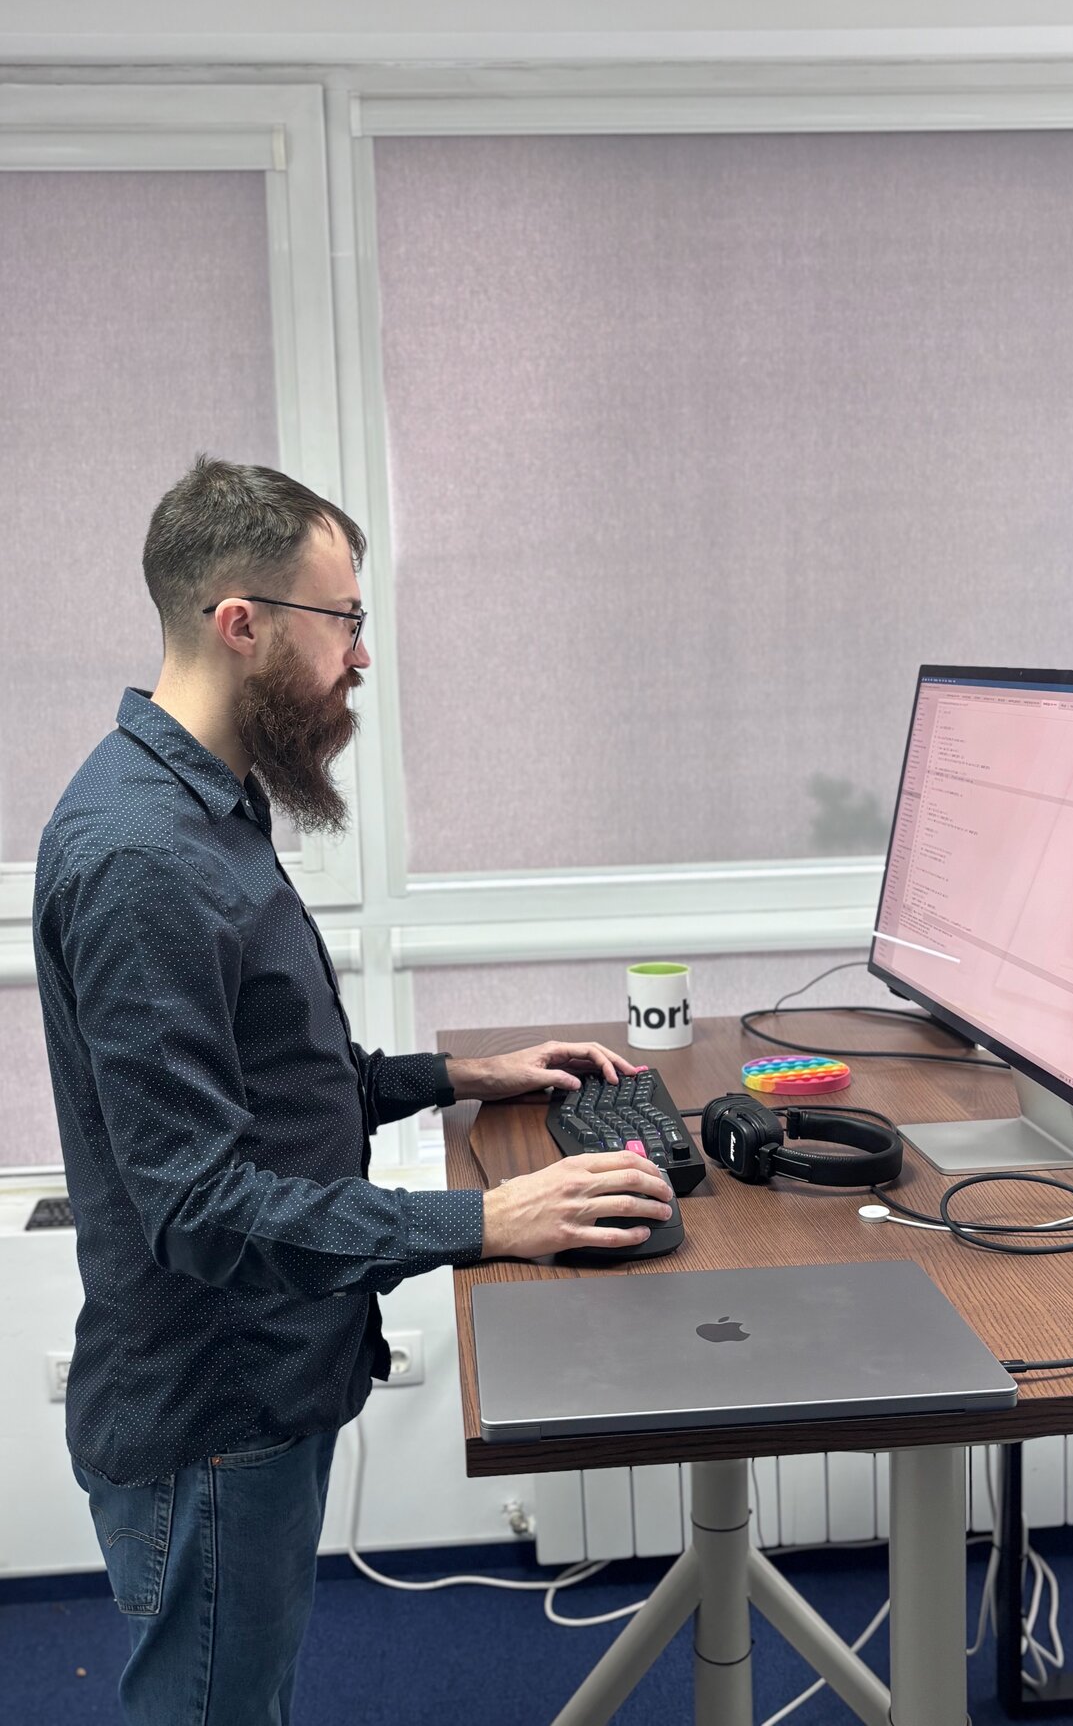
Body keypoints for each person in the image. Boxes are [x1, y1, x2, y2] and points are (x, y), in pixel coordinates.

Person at [32, 456, 674, 1726]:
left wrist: (453, 1078)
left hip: (264, 1380)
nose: (363, 657)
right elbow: (203, 1206)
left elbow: (263, 1086)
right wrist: (483, 1222)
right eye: (347, 622)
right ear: (241, 622)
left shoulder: (204, 808)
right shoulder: (139, 859)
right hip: (214, 1410)